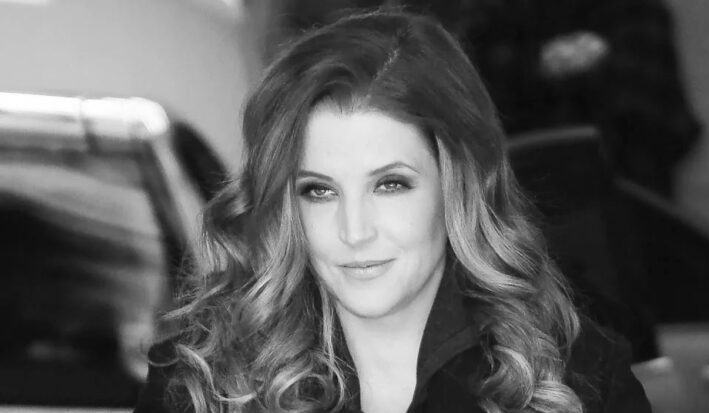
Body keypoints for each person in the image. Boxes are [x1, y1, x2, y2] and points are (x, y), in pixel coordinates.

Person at [134, 9, 651, 413]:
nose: (354, 231)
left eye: (390, 185)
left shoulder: (578, 381)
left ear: (456, 186)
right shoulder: (200, 384)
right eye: (319, 191)